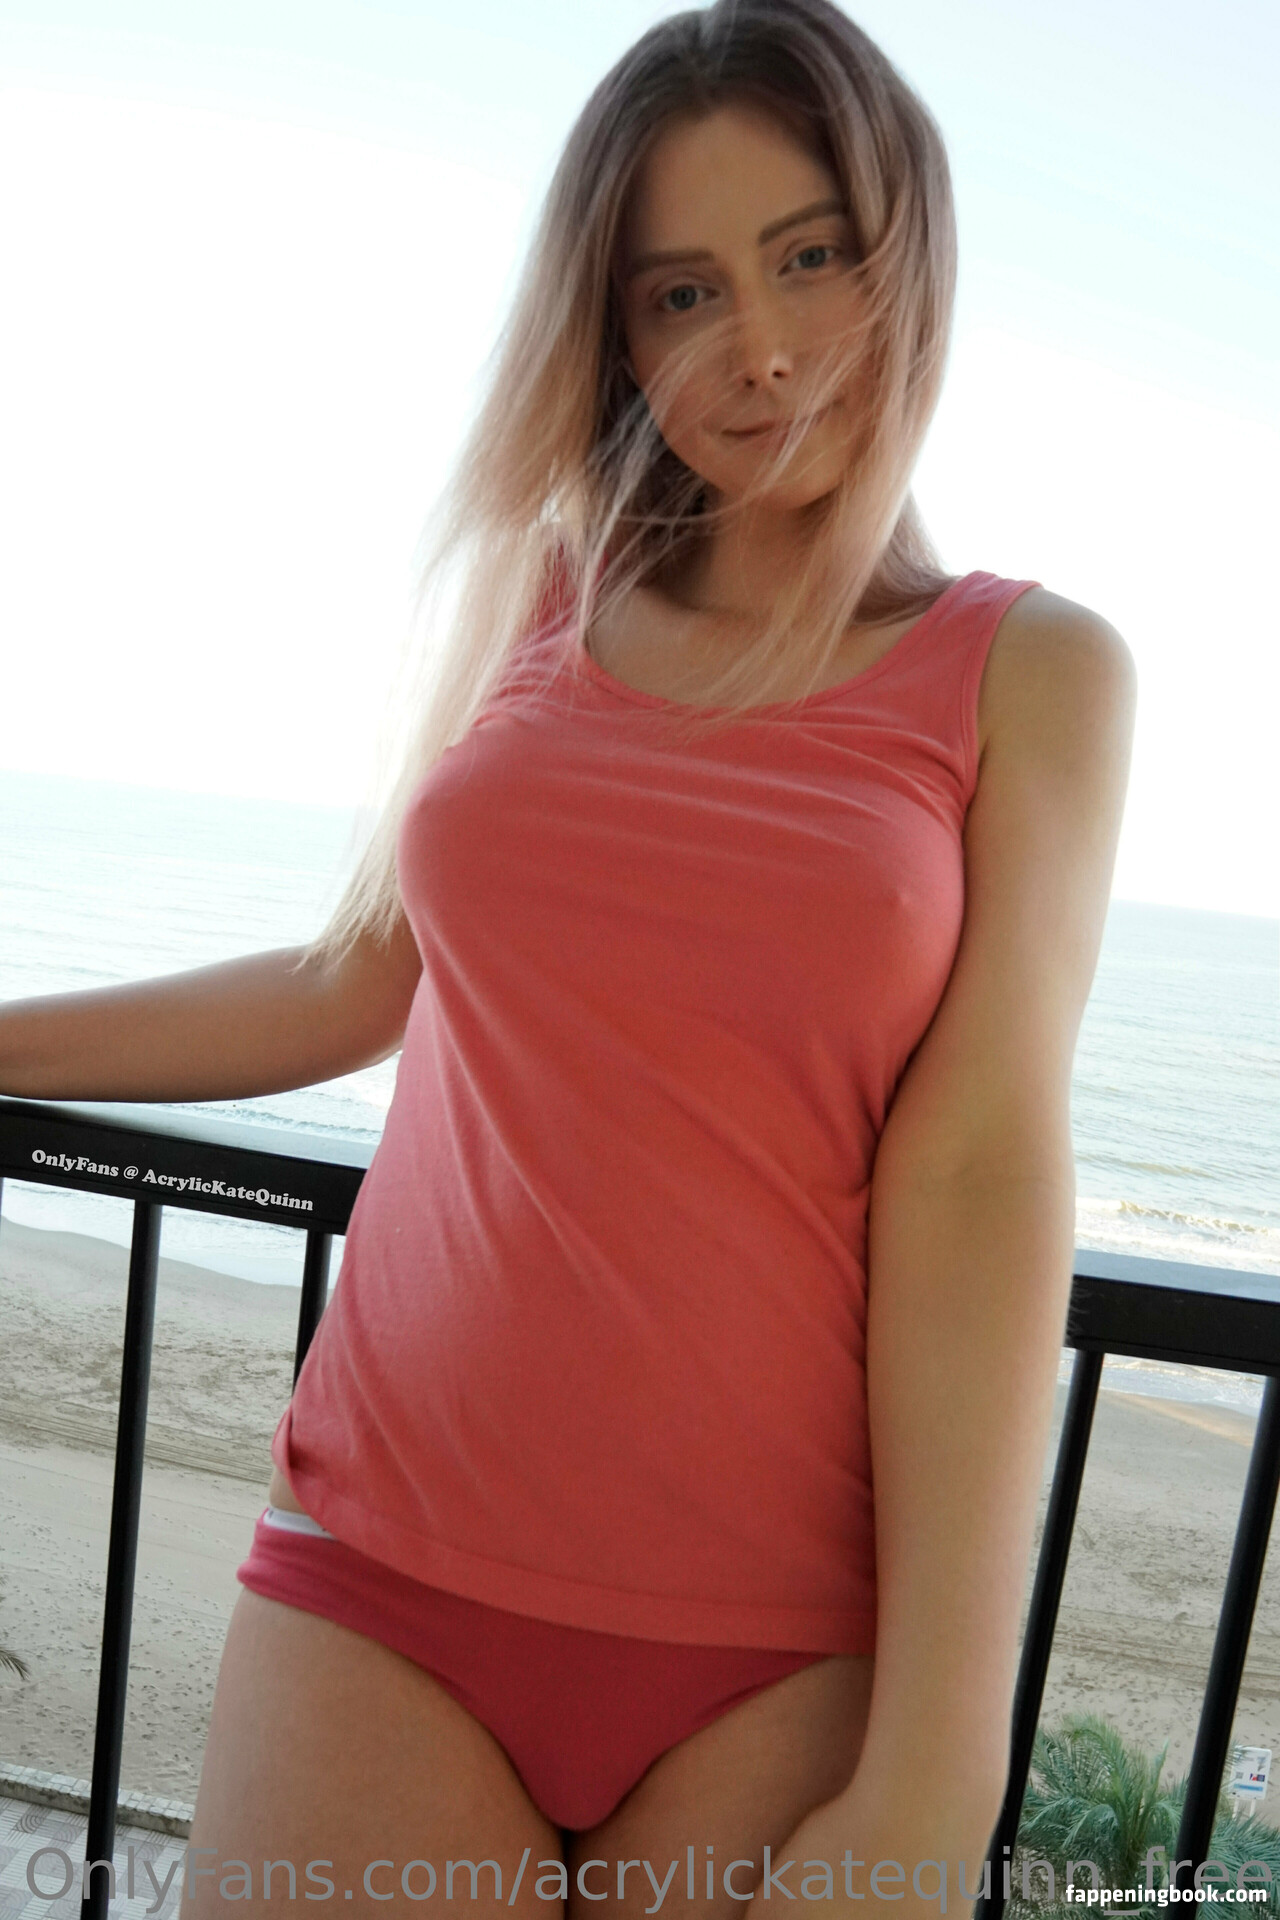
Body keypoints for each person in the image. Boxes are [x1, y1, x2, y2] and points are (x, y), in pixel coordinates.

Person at [0, 1, 1136, 1913]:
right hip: (385, 1570)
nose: (759, 345)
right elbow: (356, 982)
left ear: (909, 254)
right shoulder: (538, 591)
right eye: (683, 292)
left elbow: (983, 1167)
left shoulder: (1035, 672)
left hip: (780, 1642)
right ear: (614, 334)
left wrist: (943, 1770)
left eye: (810, 256)